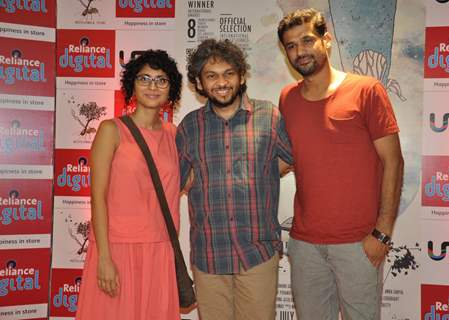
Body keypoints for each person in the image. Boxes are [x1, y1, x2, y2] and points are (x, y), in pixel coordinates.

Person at [277, 8, 404, 320]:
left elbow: (393, 161)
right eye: (291, 46)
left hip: (360, 243)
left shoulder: (366, 90)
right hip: (304, 244)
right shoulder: (287, 99)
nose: (299, 51)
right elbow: (285, 160)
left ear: (327, 40)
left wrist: (383, 232)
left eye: (307, 41)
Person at [176, 39, 293, 320]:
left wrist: (262, 173)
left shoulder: (270, 116)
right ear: (199, 84)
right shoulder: (190, 126)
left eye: (229, 73)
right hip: (209, 254)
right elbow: (177, 180)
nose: (222, 82)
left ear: (241, 76)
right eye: (211, 76)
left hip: (257, 252)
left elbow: (290, 158)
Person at [75, 50, 183, 320]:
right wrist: (103, 257)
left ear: (172, 88)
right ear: (132, 85)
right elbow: (97, 197)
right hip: (117, 248)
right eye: (144, 78)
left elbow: (191, 179)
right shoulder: (111, 130)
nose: (152, 86)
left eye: (161, 80)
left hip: (160, 249)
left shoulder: (176, 135)